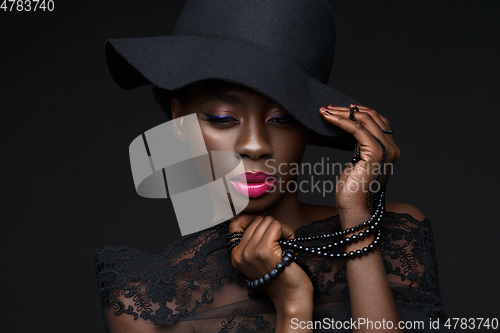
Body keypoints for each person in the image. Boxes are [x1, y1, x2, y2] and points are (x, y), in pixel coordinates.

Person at [95, 0, 450, 332]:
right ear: (178, 119)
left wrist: (357, 217)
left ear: (308, 128)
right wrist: (293, 304)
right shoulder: (144, 305)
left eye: (281, 119)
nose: (254, 145)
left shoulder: (399, 240)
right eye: (222, 117)